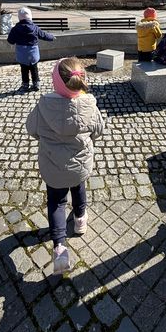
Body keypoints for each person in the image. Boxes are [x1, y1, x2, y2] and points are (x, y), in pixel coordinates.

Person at [26, 57, 104, 274]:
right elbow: (99, 131)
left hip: (53, 167)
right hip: (80, 166)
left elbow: (31, 129)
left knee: (56, 202)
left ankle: (60, 247)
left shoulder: (43, 106)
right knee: (79, 189)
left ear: (56, 82)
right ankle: (80, 221)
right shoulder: (90, 105)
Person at [7, 7, 55, 91]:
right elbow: (43, 35)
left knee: (24, 69)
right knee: (34, 68)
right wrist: (52, 37)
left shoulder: (15, 29)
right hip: (33, 54)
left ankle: (25, 84)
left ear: (19, 17)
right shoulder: (35, 28)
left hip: (22, 54)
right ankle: (36, 83)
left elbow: (10, 41)